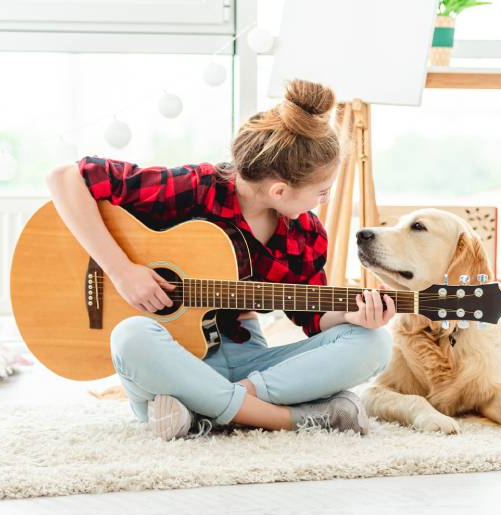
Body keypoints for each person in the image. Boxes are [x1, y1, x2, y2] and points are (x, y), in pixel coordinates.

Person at [45, 79, 394, 441]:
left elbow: (312, 316)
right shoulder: (196, 188)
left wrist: (351, 315)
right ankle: (286, 418)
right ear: (279, 190)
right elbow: (65, 177)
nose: (323, 201)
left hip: (249, 364)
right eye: (321, 192)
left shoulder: (305, 233)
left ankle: (202, 410)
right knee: (130, 336)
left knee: (374, 344)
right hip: (172, 361)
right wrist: (121, 272)